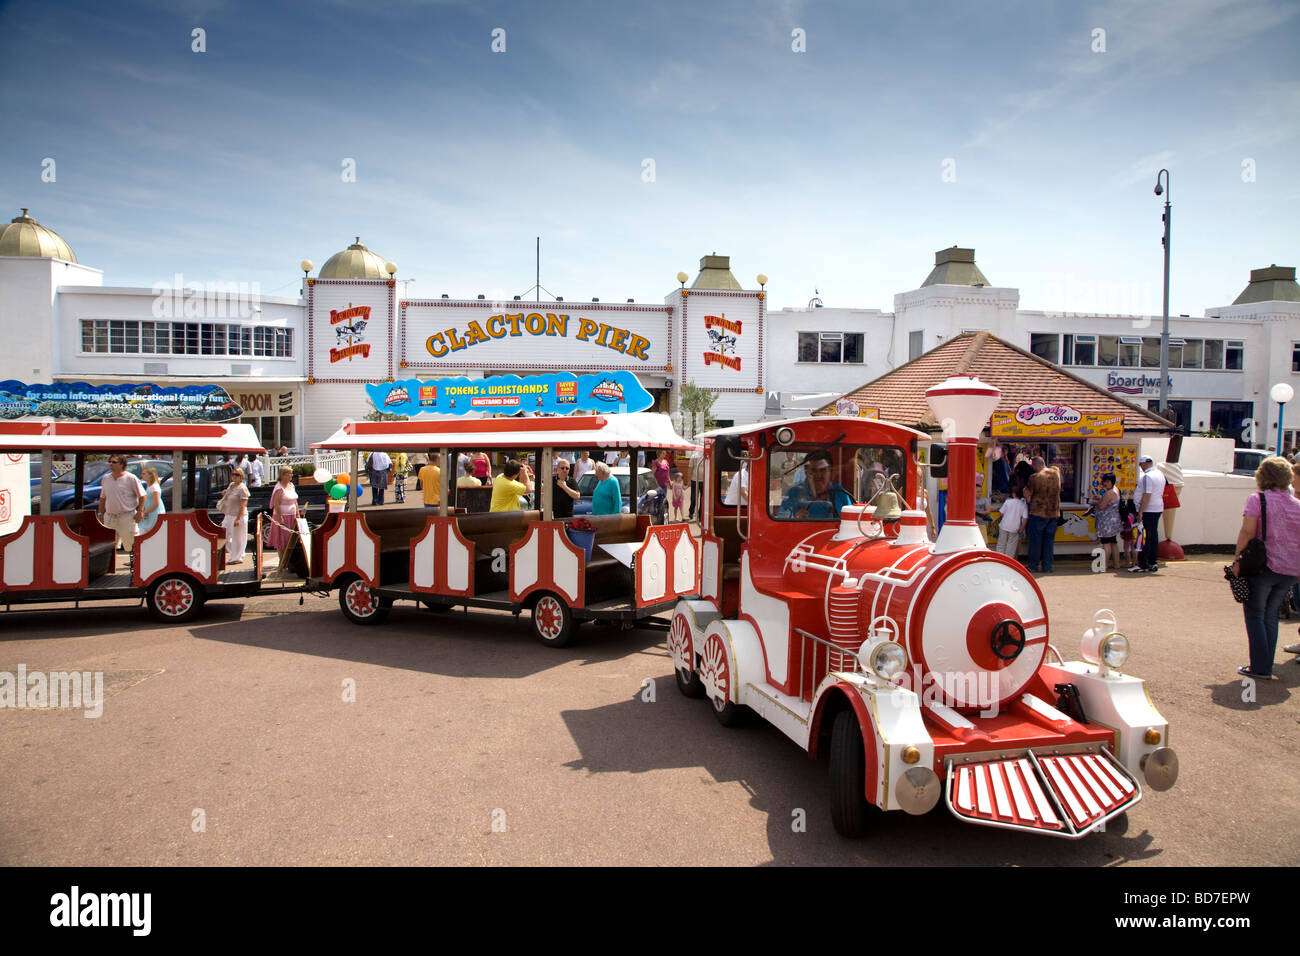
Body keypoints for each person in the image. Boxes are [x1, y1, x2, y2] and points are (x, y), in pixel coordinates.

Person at [1231, 457, 1300, 679]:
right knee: (1270, 615)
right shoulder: (1297, 505)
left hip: (1263, 566)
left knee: (1255, 615)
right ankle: (1265, 665)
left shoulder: (1258, 499)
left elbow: (1247, 532)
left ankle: (1261, 667)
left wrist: (1237, 560)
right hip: (1290, 569)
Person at [778, 451, 852, 519]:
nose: (818, 475)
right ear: (806, 471)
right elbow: (781, 520)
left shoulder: (839, 492)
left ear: (830, 471)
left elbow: (851, 519)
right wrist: (795, 518)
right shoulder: (793, 493)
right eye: (813, 470)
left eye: (822, 470)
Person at [96, 454, 144, 555]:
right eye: (109, 461)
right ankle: (111, 568)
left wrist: (140, 511)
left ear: (122, 464)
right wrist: (100, 514)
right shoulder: (106, 478)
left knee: (131, 545)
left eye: (114, 462)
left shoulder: (131, 478)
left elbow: (142, 495)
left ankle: (134, 568)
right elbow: (102, 497)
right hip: (110, 517)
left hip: (127, 516)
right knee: (109, 545)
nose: (110, 464)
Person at [1024, 456, 1061, 574]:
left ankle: (1033, 566)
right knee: (1049, 542)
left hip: (1038, 512)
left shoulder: (1035, 477)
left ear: (1035, 465)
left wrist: (1025, 490)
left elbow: (1028, 495)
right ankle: (1047, 567)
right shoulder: (1056, 474)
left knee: (1035, 541)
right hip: (1054, 513)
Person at [1130, 455, 1166, 573]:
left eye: (1141, 465)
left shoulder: (1148, 477)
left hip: (1148, 509)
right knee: (1153, 536)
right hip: (1158, 507)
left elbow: (1147, 495)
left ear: (1143, 464)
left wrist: (1140, 512)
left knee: (1145, 537)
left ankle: (1143, 563)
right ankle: (1152, 562)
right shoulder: (1160, 474)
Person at [217, 467, 250, 564]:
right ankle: (234, 554)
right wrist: (225, 494)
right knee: (225, 536)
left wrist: (238, 518)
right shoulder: (231, 486)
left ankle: (237, 557)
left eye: (237, 475)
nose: (234, 477)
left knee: (238, 537)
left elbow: (243, 505)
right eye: (233, 474)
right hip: (228, 515)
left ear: (241, 477)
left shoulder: (242, 488)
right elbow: (228, 498)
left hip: (238, 515)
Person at [1091, 473, 1122, 572]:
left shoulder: (1109, 493)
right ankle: (1117, 564)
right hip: (1114, 521)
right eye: (1104, 481)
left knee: (1106, 543)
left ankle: (1104, 564)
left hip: (1106, 522)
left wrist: (1095, 502)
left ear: (1111, 482)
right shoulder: (1116, 490)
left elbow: (1102, 506)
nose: (1105, 483)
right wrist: (1100, 499)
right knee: (1113, 542)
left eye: (1107, 481)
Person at [266, 467, 299, 551]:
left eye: (292, 473)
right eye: (289, 473)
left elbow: (295, 501)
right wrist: (280, 518)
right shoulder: (279, 488)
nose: (291, 475)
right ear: (283, 475)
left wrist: (298, 514)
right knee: (282, 540)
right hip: (282, 516)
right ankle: (282, 560)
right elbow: (276, 504)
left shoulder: (291, 485)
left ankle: (289, 561)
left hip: (292, 515)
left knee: (291, 539)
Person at [995, 485, 1027, 560]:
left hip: (1004, 525)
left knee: (1001, 544)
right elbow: (1025, 518)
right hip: (1015, 528)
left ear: (1013, 494)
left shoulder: (1008, 501)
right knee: (1011, 546)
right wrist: (1022, 528)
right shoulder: (1023, 505)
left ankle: (999, 559)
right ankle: (1008, 561)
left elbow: (1001, 513)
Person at [136, 466, 165, 538]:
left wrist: (144, 512)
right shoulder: (149, 486)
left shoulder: (154, 487)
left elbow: (156, 503)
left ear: (150, 475)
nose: (141, 475)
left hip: (155, 514)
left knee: (148, 532)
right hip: (151, 513)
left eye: (144, 474)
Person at [652, 450, 672, 519]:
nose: (665, 454)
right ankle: (656, 514)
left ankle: (662, 513)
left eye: (665, 453)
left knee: (663, 500)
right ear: (659, 454)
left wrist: (670, 482)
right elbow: (653, 474)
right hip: (658, 485)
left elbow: (667, 473)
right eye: (663, 453)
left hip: (665, 484)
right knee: (658, 500)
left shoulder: (666, 461)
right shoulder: (656, 462)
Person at [688, 451, 705, 522]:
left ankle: (700, 515)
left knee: (703, 499)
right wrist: (688, 480)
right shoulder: (694, 456)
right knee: (694, 498)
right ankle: (691, 511)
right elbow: (690, 469)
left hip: (704, 481)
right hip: (695, 480)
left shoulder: (709, 456)